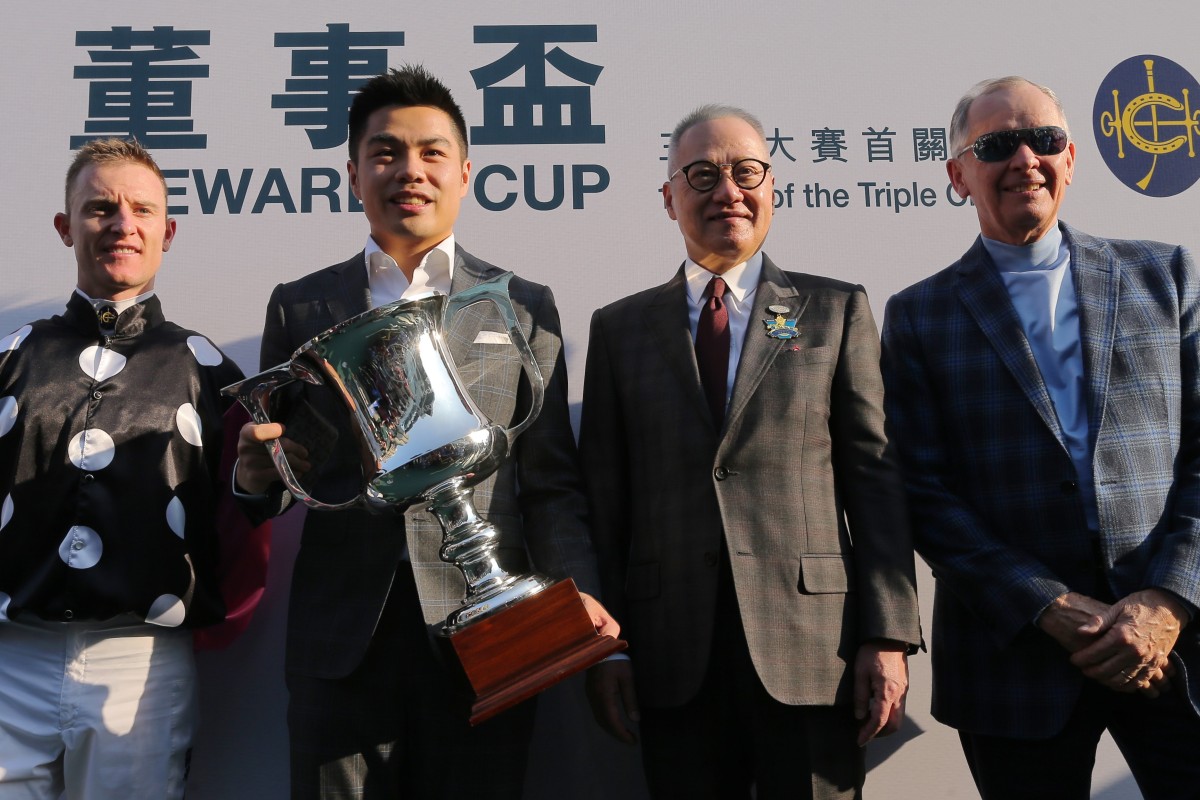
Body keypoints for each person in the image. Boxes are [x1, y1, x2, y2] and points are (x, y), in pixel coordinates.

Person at [234, 65, 618, 800]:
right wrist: (257, 481)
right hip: (344, 641)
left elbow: (550, 484)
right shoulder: (302, 305)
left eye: (431, 152)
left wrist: (578, 598)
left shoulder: (522, 305)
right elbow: (292, 474)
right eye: (385, 152)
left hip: (494, 640)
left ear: (466, 172)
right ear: (352, 174)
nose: (409, 170)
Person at [578, 104, 922, 800]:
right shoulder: (621, 330)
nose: (726, 191)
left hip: (814, 649)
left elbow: (874, 484)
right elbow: (604, 506)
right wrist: (604, 648)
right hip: (670, 656)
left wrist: (887, 635)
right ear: (669, 198)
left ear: (773, 187)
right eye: (701, 175)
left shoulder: (834, 310)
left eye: (746, 172)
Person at [880, 76, 1200, 799]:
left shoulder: (1165, 275)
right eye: (996, 145)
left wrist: (1166, 603)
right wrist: (1049, 608)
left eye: (1044, 139)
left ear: (1072, 157)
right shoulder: (918, 315)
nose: (1025, 158)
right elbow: (922, 493)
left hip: (1171, 650)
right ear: (958, 174)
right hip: (1012, 658)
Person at [0, 138, 248, 798]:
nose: (121, 224)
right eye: (100, 207)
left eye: (140, 209)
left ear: (167, 231)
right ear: (65, 226)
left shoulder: (209, 370)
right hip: (9, 655)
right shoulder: (10, 358)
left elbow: (251, 511)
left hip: (140, 660)